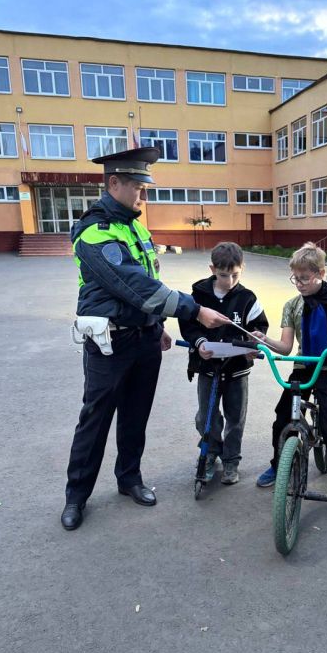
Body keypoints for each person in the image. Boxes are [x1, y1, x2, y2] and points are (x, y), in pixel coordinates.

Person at [61, 147, 228, 531]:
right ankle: (76, 496)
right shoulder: (94, 232)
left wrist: (158, 323)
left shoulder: (133, 225)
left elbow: (149, 284)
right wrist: (193, 310)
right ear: (114, 183)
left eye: (144, 187)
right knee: (95, 420)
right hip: (110, 344)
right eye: (137, 186)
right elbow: (132, 284)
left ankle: (129, 479)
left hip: (145, 339)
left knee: (136, 415)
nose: (143, 195)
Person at [255, 241, 327, 503]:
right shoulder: (292, 305)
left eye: (305, 278)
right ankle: (279, 464)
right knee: (282, 417)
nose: (299, 284)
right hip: (304, 365)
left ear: (320, 274)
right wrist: (264, 339)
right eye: (295, 278)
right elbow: (285, 346)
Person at [179, 242, 269, 485]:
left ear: (243, 269)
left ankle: (231, 460)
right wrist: (198, 343)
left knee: (235, 417)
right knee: (205, 416)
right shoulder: (198, 293)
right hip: (207, 367)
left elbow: (260, 325)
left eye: (235, 275)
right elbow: (187, 324)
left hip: (237, 370)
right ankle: (210, 452)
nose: (229, 281)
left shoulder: (247, 297)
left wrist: (254, 341)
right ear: (212, 269)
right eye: (223, 275)